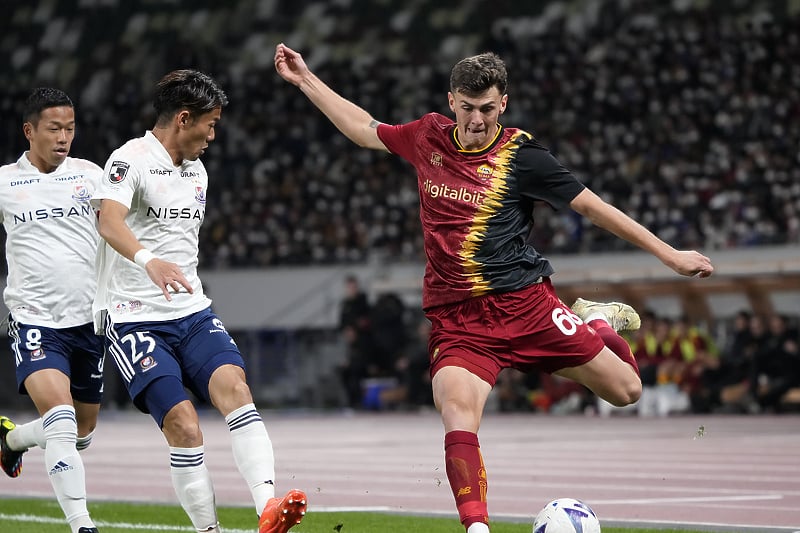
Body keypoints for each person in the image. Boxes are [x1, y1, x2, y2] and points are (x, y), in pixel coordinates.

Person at [275, 45, 714, 533]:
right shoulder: (427, 136)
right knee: (457, 410)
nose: (477, 119)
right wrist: (306, 80)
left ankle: (593, 320)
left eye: (487, 109)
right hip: (457, 318)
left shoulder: (524, 158)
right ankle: (477, 527)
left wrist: (668, 254)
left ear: (502, 104)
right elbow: (363, 129)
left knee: (628, 390)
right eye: (467, 108)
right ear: (451, 102)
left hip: (525, 305)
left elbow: (592, 208)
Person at [92, 69, 306, 533]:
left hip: (191, 313)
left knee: (237, 390)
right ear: (183, 118)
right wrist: (149, 261)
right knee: (185, 427)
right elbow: (108, 222)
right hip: (134, 319)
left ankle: (267, 508)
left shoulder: (198, 171)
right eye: (209, 125)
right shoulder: (130, 159)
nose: (213, 136)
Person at [0, 88, 104, 533]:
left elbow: (120, 228)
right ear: (30, 131)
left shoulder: (91, 175)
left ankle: (13, 440)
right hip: (34, 319)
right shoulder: (5, 181)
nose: (64, 137)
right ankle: (82, 525)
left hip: (91, 321)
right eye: (54, 128)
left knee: (79, 436)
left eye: (70, 128)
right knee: (60, 420)